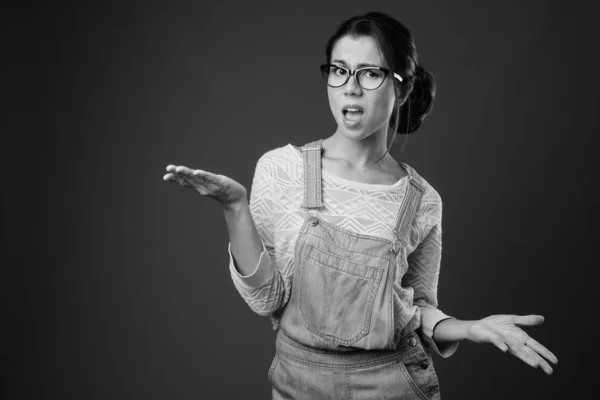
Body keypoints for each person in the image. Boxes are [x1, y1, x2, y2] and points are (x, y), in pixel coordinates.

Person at [164, 11, 558, 399]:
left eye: (369, 73)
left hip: (392, 385)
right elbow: (267, 298)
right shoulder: (281, 169)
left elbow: (414, 309)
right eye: (339, 70)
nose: (350, 87)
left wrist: (470, 328)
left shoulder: (421, 201)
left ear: (401, 88)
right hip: (296, 383)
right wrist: (235, 207)